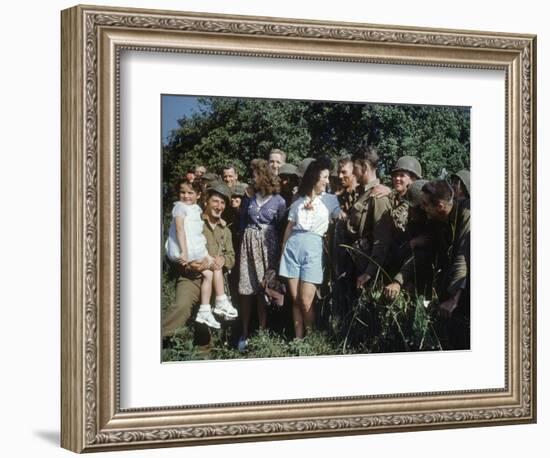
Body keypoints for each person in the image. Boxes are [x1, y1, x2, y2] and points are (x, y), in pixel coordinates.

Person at [162, 182, 237, 341]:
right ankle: (158, 339)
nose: (219, 206)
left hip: (215, 280)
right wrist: (190, 264)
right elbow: (176, 246)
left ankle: (204, 350)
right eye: (215, 201)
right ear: (206, 202)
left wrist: (223, 259)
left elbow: (231, 256)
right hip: (191, 277)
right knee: (181, 306)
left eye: (222, 203)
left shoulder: (226, 231)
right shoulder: (194, 221)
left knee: (208, 322)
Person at [279, 157, 341, 338]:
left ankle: (311, 338)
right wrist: (283, 250)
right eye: (325, 177)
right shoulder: (298, 200)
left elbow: (341, 217)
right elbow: (289, 228)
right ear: (314, 177)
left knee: (306, 300)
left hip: (314, 248)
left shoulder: (330, 200)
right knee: (296, 300)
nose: (327, 181)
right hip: (292, 248)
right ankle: (299, 340)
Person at [238, 159, 286, 350]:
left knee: (262, 289)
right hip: (248, 246)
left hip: (268, 246)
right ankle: (244, 333)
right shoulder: (249, 197)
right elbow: (242, 220)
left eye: (256, 174)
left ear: (264, 176)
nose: (253, 178)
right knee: (246, 290)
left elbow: (282, 226)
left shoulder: (279, 201)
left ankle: (263, 333)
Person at [421, 179, 470, 349]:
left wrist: (454, 299)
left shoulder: (467, 214)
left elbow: (463, 256)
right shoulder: (437, 220)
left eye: (426, 204)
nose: (422, 208)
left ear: (440, 206)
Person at [348, 142, 393, 289]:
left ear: (365, 167)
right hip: (357, 263)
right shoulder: (363, 193)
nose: (353, 173)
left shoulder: (378, 196)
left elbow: (382, 241)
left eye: (355, 168)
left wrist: (369, 272)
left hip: (368, 273)